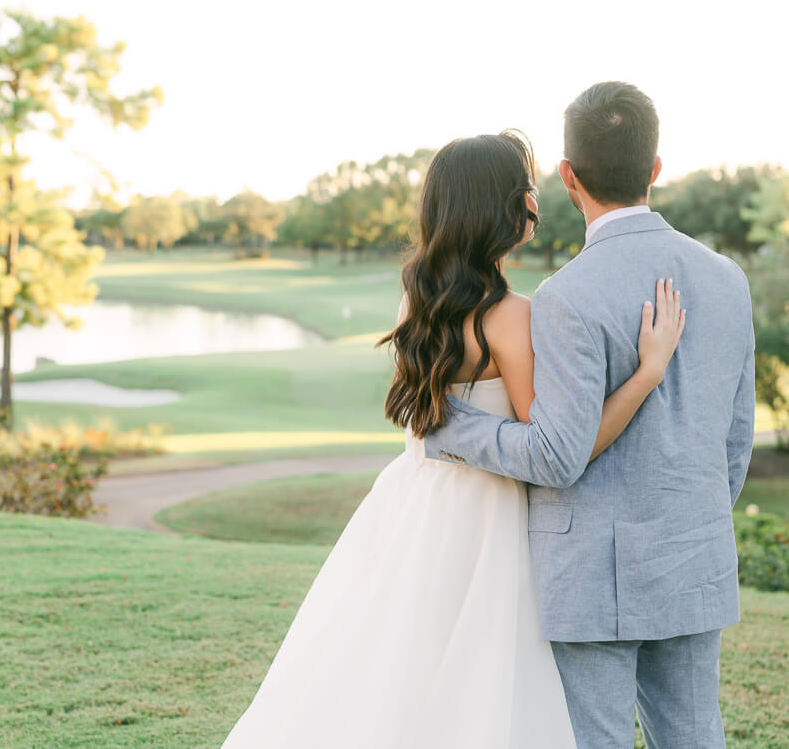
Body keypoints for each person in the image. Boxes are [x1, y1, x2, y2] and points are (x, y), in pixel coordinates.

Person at [221, 128, 686, 748]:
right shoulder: (510, 315)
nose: (536, 200)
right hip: (486, 522)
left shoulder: (415, 302)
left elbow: (437, 421)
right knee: (480, 680)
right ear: (499, 207)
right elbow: (556, 450)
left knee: (393, 665)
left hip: (412, 505)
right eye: (525, 189)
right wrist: (647, 373)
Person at [425, 82, 756, 748]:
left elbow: (554, 454)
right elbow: (735, 441)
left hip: (589, 575)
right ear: (656, 169)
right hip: (695, 556)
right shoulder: (728, 278)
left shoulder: (564, 295)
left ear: (568, 176)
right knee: (695, 735)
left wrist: (454, 428)